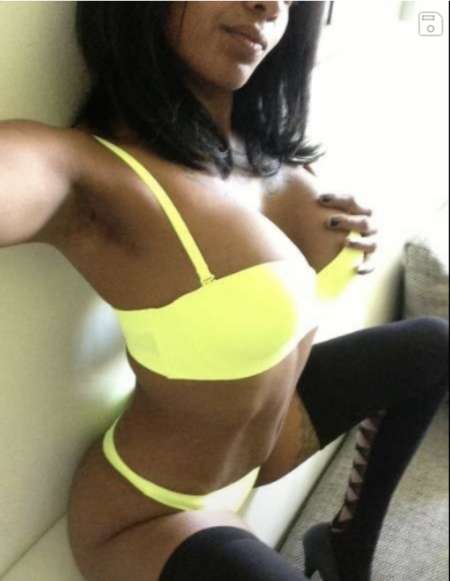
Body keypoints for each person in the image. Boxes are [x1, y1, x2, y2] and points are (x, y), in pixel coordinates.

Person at [0, 2, 447, 580]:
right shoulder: (90, 173)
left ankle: (346, 548)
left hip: (273, 440)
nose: (270, 5)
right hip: (154, 511)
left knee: (434, 345)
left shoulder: (262, 154)